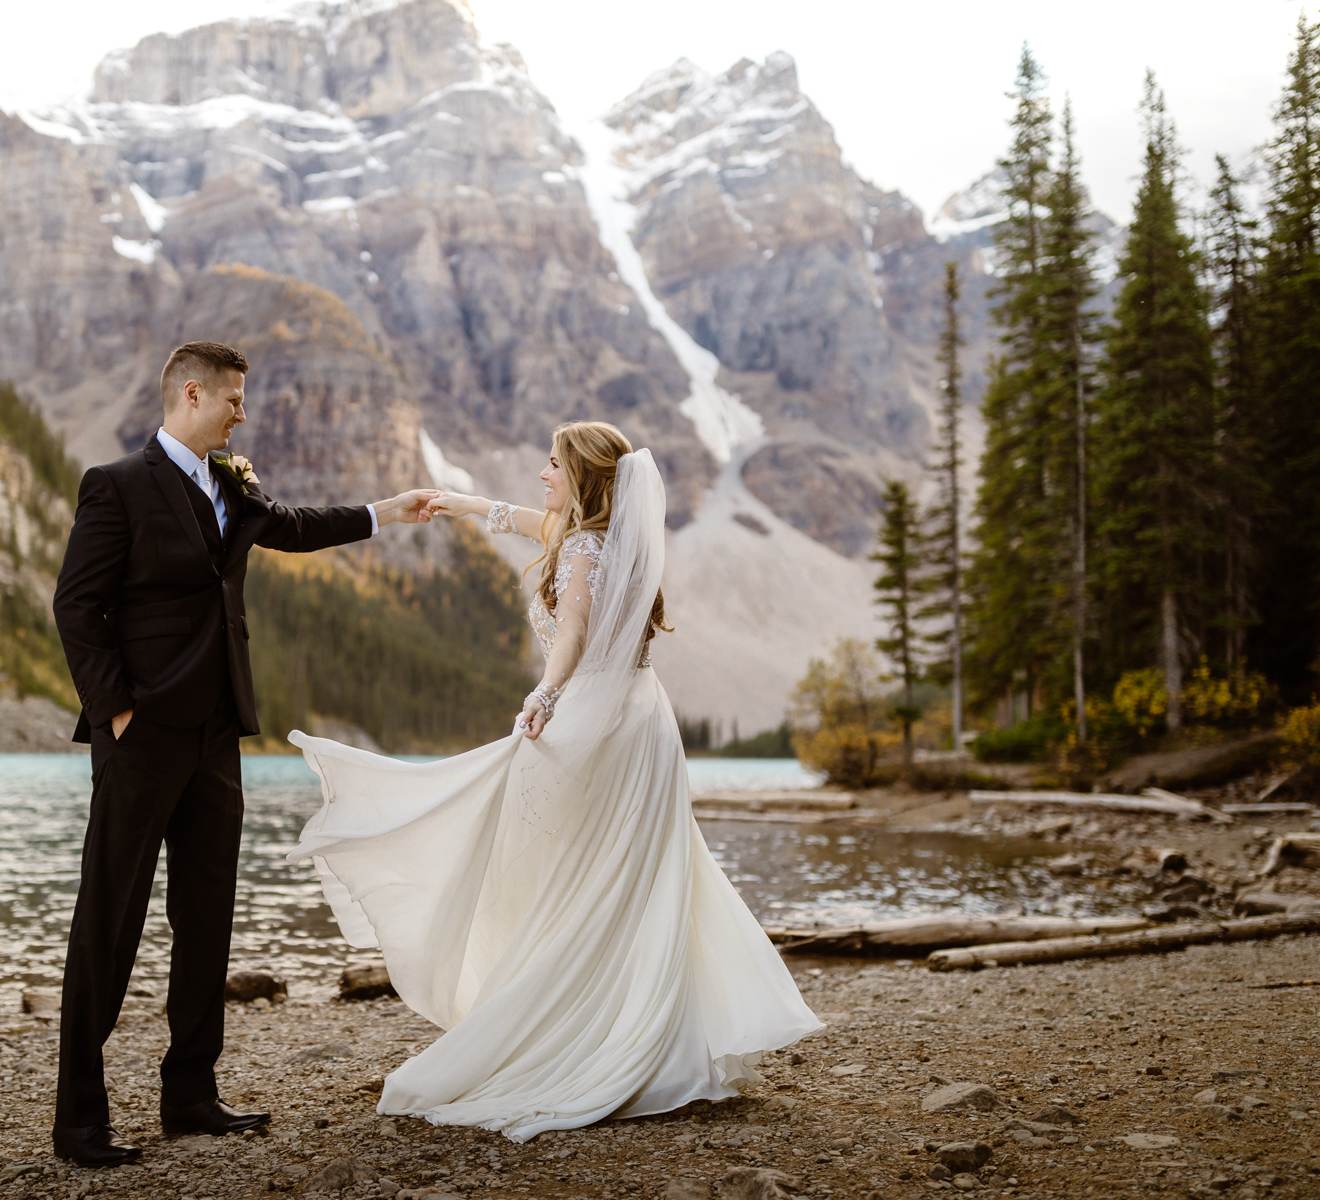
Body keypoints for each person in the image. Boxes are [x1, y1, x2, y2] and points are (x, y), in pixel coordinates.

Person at [285, 419, 826, 1143]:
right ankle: (643, 1029)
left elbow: (570, 634)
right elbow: (528, 523)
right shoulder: (608, 542)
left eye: (552, 463)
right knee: (633, 877)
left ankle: (576, 1030)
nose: (542, 473)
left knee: (577, 873)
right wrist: (457, 501)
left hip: (596, 720)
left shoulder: (581, 549)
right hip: (642, 721)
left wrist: (543, 695)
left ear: (581, 476)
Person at [49, 339, 440, 1167]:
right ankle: (80, 1118)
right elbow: (77, 606)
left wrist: (384, 511)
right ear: (192, 394)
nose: (243, 414)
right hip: (141, 734)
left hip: (218, 734)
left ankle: (190, 1094)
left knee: (206, 916)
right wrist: (116, 710)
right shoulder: (115, 486)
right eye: (233, 400)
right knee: (107, 922)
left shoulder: (232, 483)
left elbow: (293, 530)